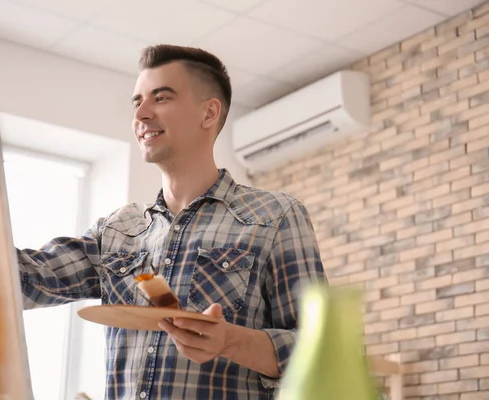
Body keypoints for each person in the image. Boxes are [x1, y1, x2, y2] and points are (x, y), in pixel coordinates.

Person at [17, 44, 327, 399]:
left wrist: (229, 341)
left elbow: (322, 353)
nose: (141, 114)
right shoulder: (117, 231)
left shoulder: (275, 217)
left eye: (160, 98)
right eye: (137, 102)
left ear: (209, 113)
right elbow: (28, 279)